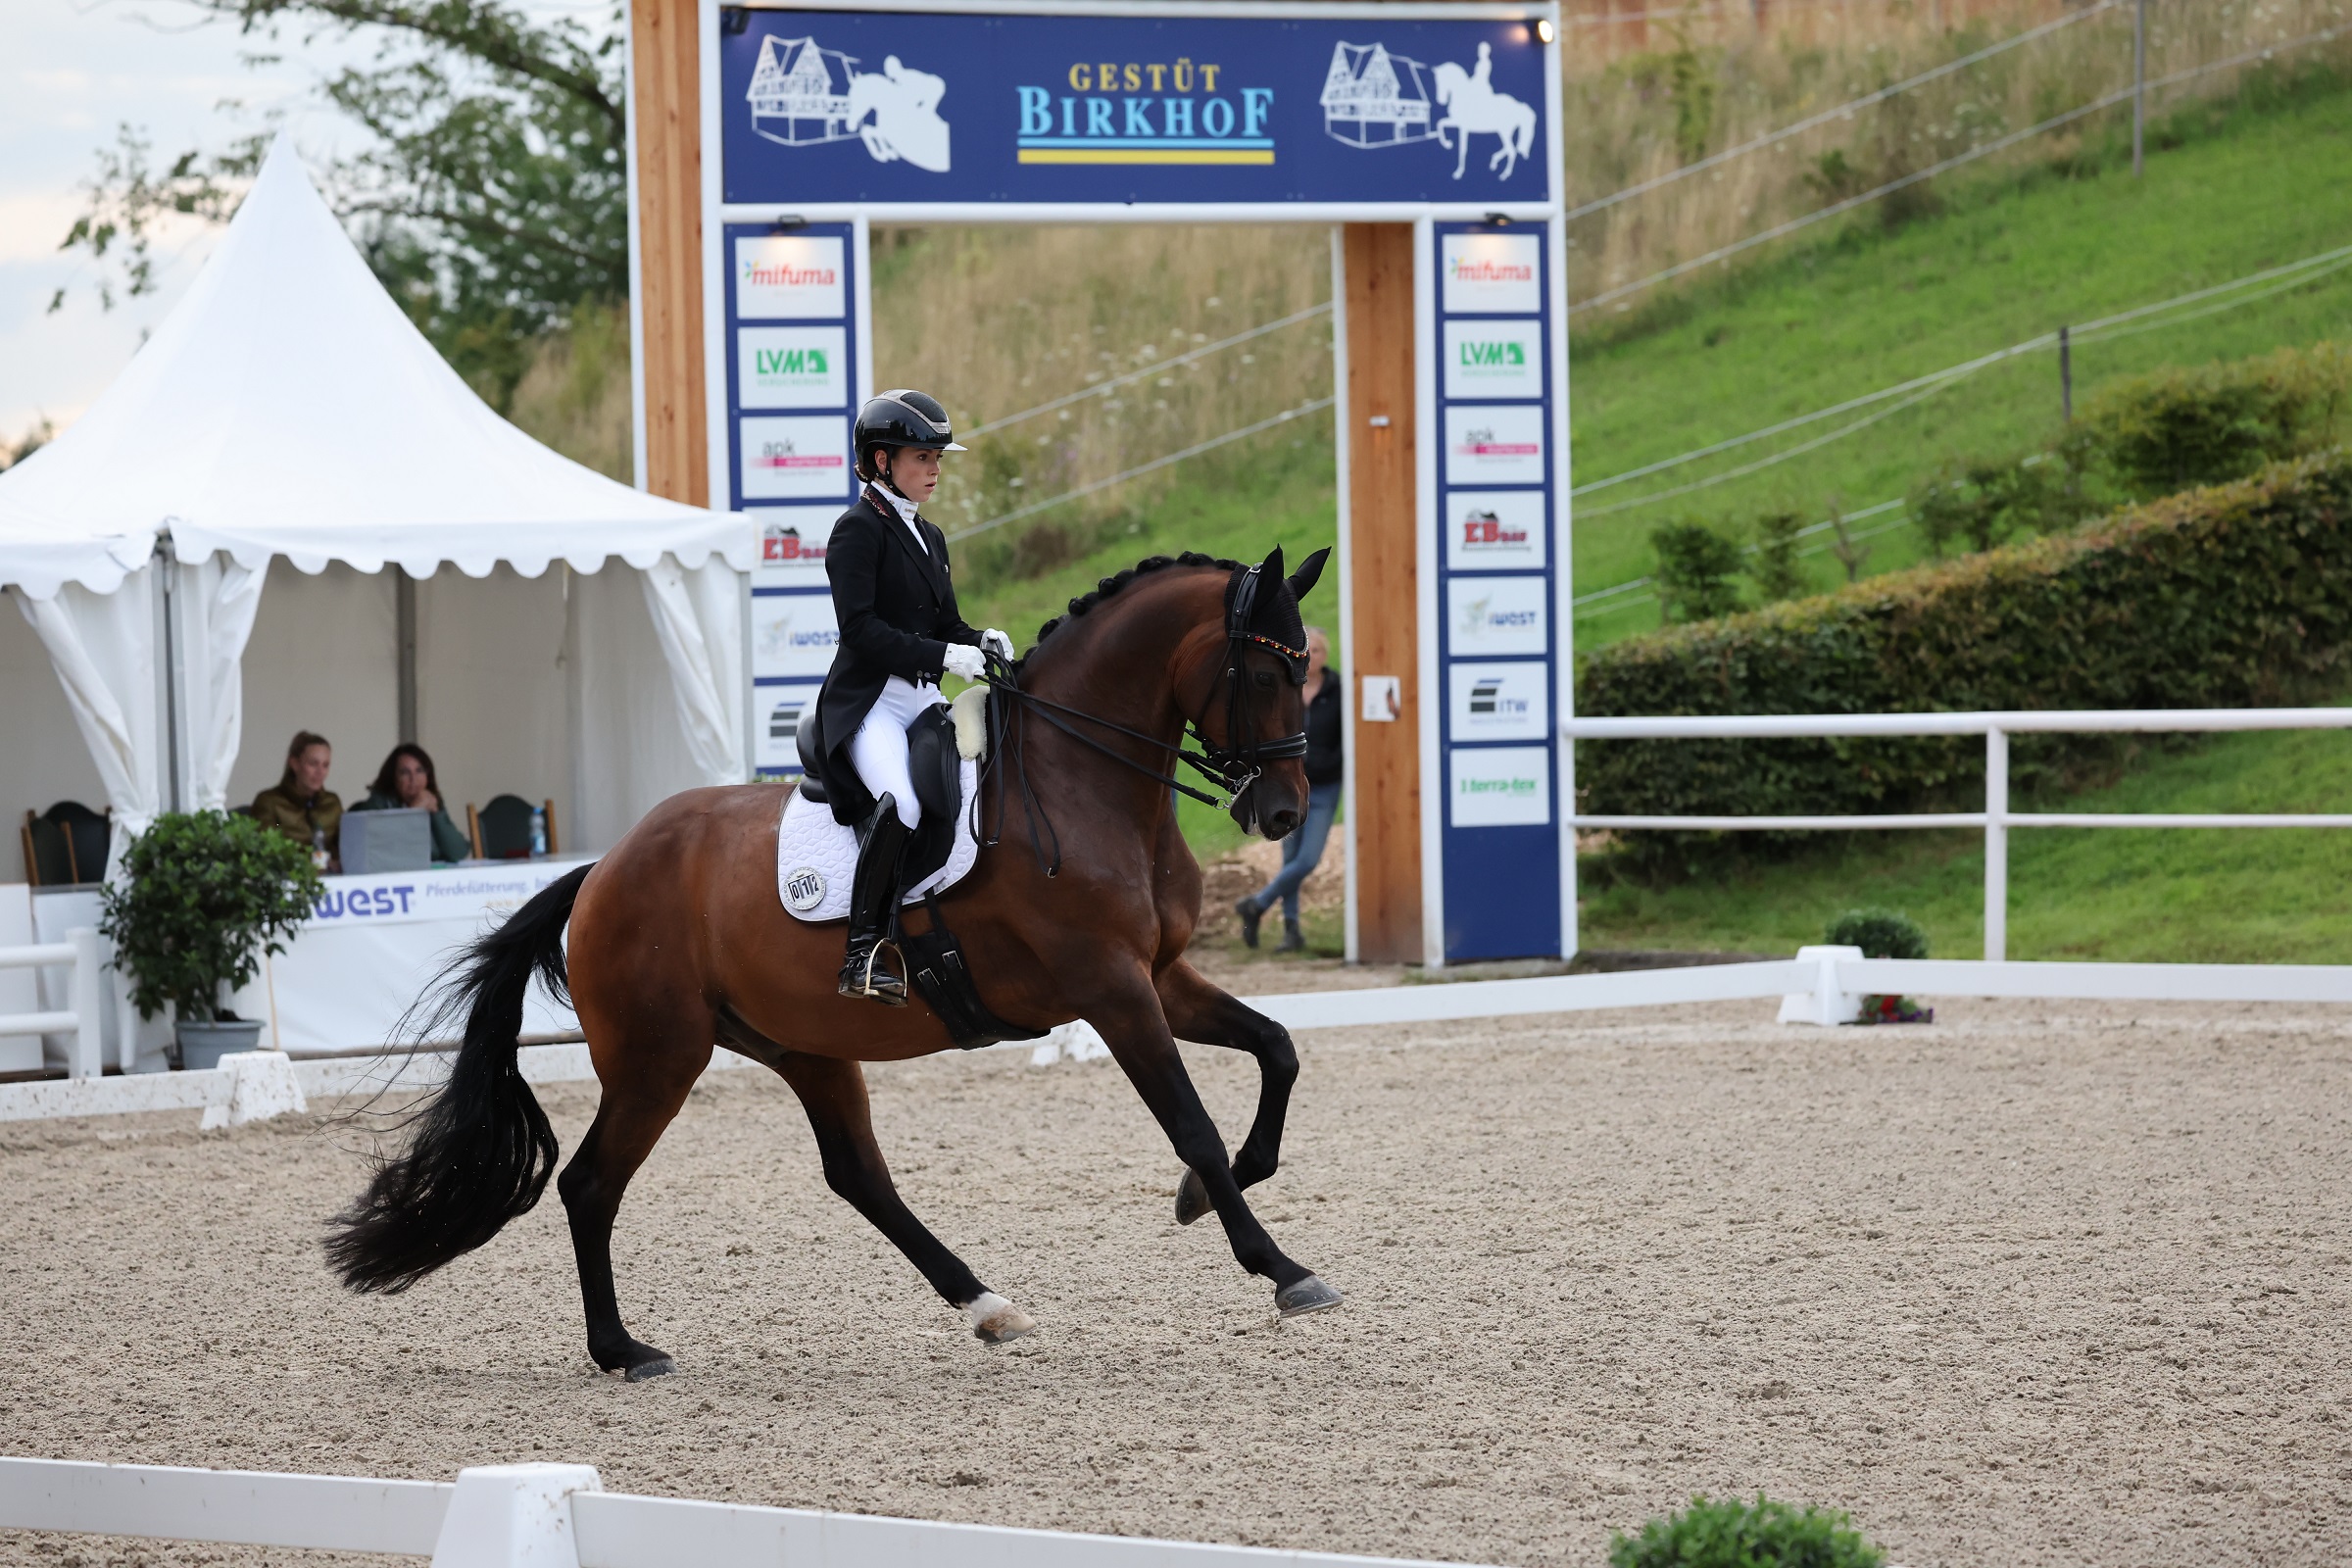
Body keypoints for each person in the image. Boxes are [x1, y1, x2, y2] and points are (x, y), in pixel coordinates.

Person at [809, 389, 1014, 1005]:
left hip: (922, 700)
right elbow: (862, 631)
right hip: (871, 702)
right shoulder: (856, 531)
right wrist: (943, 657)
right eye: (922, 457)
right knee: (900, 803)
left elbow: (944, 625)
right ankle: (862, 951)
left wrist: (977, 639)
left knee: (977, 788)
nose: (934, 470)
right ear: (880, 461)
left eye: (938, 458)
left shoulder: (931, 535)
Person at [1235, 626, 1341, 953]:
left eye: (1318, 652)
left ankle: (1257, 904)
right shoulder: (1288, 686)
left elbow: (1348, 739)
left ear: (1326, 655)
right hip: (1288, 786)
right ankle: (1291, 931)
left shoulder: (1339, 691)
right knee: (1290, 859)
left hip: (1323, 787)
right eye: (1308, 653)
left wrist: (1327, 764)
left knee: (1307, 860)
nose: (1312, 660)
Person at [350, 743, 472, 863]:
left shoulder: (431, 801)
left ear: (428, 775)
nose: (413, 779)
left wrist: (437, 814)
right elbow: (386, 850)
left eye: (419, 771)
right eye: (405, 772)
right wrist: (414, 811)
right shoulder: (378, 804)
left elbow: (458, 852)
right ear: (393, 778)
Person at [250, 730, 342, 871]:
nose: (320, 772)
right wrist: (307, 864)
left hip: (332, 880)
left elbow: (347, 845)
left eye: (325, 765)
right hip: (290, 879)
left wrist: (338, 861)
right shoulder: (269, 802)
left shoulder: (332, 803)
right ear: (294, 764)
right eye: (313, 764)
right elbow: (266, 852)